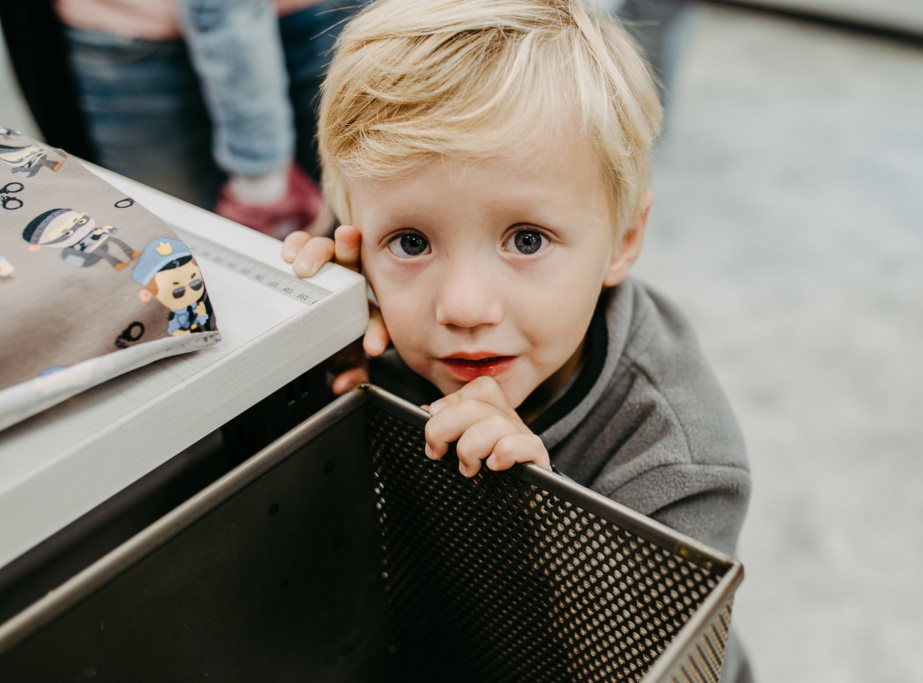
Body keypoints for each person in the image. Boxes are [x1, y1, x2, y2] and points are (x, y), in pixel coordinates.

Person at [283, 0, 753, 680]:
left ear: (623, 240)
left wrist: (542, 512)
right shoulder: (373, 326)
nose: (465, 307)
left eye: (526, 240)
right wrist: (302, 335)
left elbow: (657, 664)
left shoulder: (676, 451)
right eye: (410, 241)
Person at [51, 0, 365, 237]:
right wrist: (262, 174)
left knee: (355, 229)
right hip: (125, 30)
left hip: (312, 17)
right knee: (171, 242)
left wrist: (261, 175)